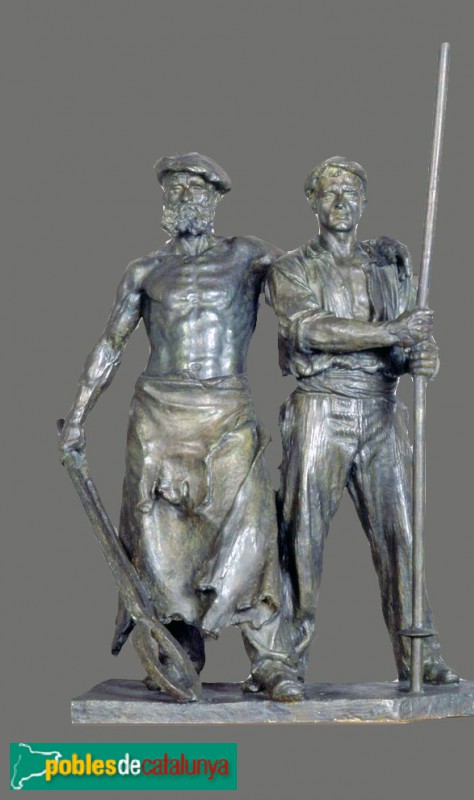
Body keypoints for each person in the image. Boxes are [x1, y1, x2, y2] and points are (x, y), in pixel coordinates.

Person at [59, 153, 301, 701]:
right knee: (160, 540)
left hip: (226, 409)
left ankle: (270, 658)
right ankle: (179, 650)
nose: (183, 199)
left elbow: (310, 274)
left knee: (254, 522)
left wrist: (371, 256)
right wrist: (77, 416)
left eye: (194, 190)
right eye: (174, 190)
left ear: (215, 198)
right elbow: (110, 345)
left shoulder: (247, 256)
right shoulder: (145, 270)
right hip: (159, 414)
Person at [267, 156, 459, 685]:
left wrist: (421, 357)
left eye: (351, 192)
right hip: (321, 407)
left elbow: (406, 347)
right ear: (313, 201)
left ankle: (421, 653)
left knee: (403, 534)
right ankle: (284, 659)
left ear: (365, 202)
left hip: (381, 409)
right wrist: (392, 333)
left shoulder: (387, 268)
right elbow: (310, 330)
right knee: (301, 538)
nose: (341, 202)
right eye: (330, 192)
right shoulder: (290, 268)